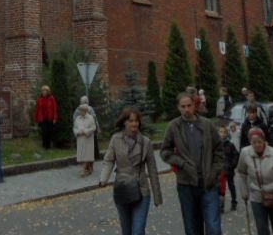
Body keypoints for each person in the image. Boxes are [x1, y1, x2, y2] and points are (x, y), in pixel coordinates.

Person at [161, 92, 225, 235]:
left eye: (189, 106)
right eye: (183, 106)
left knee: (214, 228)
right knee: (192, 229)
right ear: (178, 107)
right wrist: (181, 163)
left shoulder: (207, 125)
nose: (186, 109)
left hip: (208, 183)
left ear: (194, 106)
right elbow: (165, 151)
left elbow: (219, 150)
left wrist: (214, 172)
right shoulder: (174, 126)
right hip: (186, 185)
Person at [99, 108, 162, 235]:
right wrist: (103, 179)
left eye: (136, 121)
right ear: (124, 122)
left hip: (141, 190)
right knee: (126, 231)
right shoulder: (116, 139)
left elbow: (152, 170)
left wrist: (157, 195)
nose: (134, 124)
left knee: (137, 231)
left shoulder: (145, 142)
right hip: (123, 189)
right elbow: (109, 160)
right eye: (131, 121)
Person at [236, 127, 273, 235]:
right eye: (254, 142)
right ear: (250, 142)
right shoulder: (245, 153)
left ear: (264, 140)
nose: (257, 145)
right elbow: (241, 172)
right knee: (262, 229)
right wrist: (244, 190)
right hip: (257, 196)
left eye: (259, 142)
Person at [218, 124, 240, 212]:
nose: (222, 134)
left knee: (231, 186)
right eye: (221, 132)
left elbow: (235, 155)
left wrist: (232, 165)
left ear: (227, 133)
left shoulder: (230, 145)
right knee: (221, 188)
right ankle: (221, 205)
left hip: (229, 169)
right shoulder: (217, 145)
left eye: (224, 132)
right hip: (220, 170)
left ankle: (234, 202)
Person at [74, 102, 97, 176]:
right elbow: (75, 128)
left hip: (88, 139)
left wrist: (86, 131)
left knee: (87, 154)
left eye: (82, 110)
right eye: (80, 110)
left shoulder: (90, 118)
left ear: (85, 110)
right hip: (80, 139)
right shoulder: (78, 118)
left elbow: (94, 127)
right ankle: (89, 169)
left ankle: (84, 169)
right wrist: (77, 132)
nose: (80, 111)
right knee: (82, 154)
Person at [35, 84, 58, 150]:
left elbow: (55, 109)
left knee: (49, 132)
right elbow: (37, 109)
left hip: (50, 118)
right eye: (43, 91)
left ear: (48, 92)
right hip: (43, 118)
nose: (44, 92)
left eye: (45, 91)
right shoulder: (39, 99)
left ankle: (48, 146)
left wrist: (55, 118)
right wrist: (36, 119)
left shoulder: (51, 98)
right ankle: (44, 146)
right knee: (44, 132)